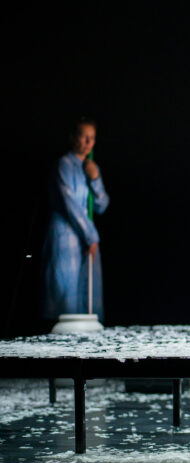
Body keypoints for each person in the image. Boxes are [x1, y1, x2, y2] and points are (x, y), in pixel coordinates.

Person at [41, 117, 110, 322]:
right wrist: (91, 236)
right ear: (73, 138)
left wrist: (95, 179)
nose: (89, 142)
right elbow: (69, 205)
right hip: (67, 233)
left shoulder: (90, 167)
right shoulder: (64, 165)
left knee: (88, 295)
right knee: (65, 292)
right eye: (84, 136)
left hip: (88, 237)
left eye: (93, 138)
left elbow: (102, 205)